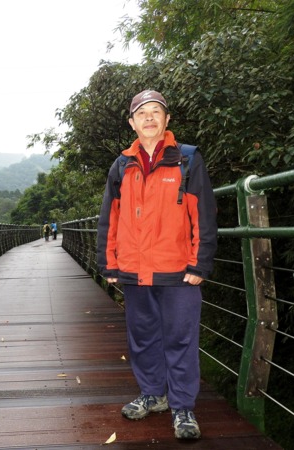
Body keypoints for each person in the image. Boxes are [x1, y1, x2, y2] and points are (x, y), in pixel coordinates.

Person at [96, 90, 217, 440]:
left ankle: (182, 407)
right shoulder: (122, 165)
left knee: (180, 339)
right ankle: (153, 394)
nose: (149, 118)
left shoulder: (187, 159)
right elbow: (109, 218)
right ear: (132, 123)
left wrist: (200, 264)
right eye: (142, 113)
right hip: (134, 271)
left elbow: (204, 215)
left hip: (178, 270)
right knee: (143, 337)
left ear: (167, 120)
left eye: (156, 112)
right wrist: (109, 264)